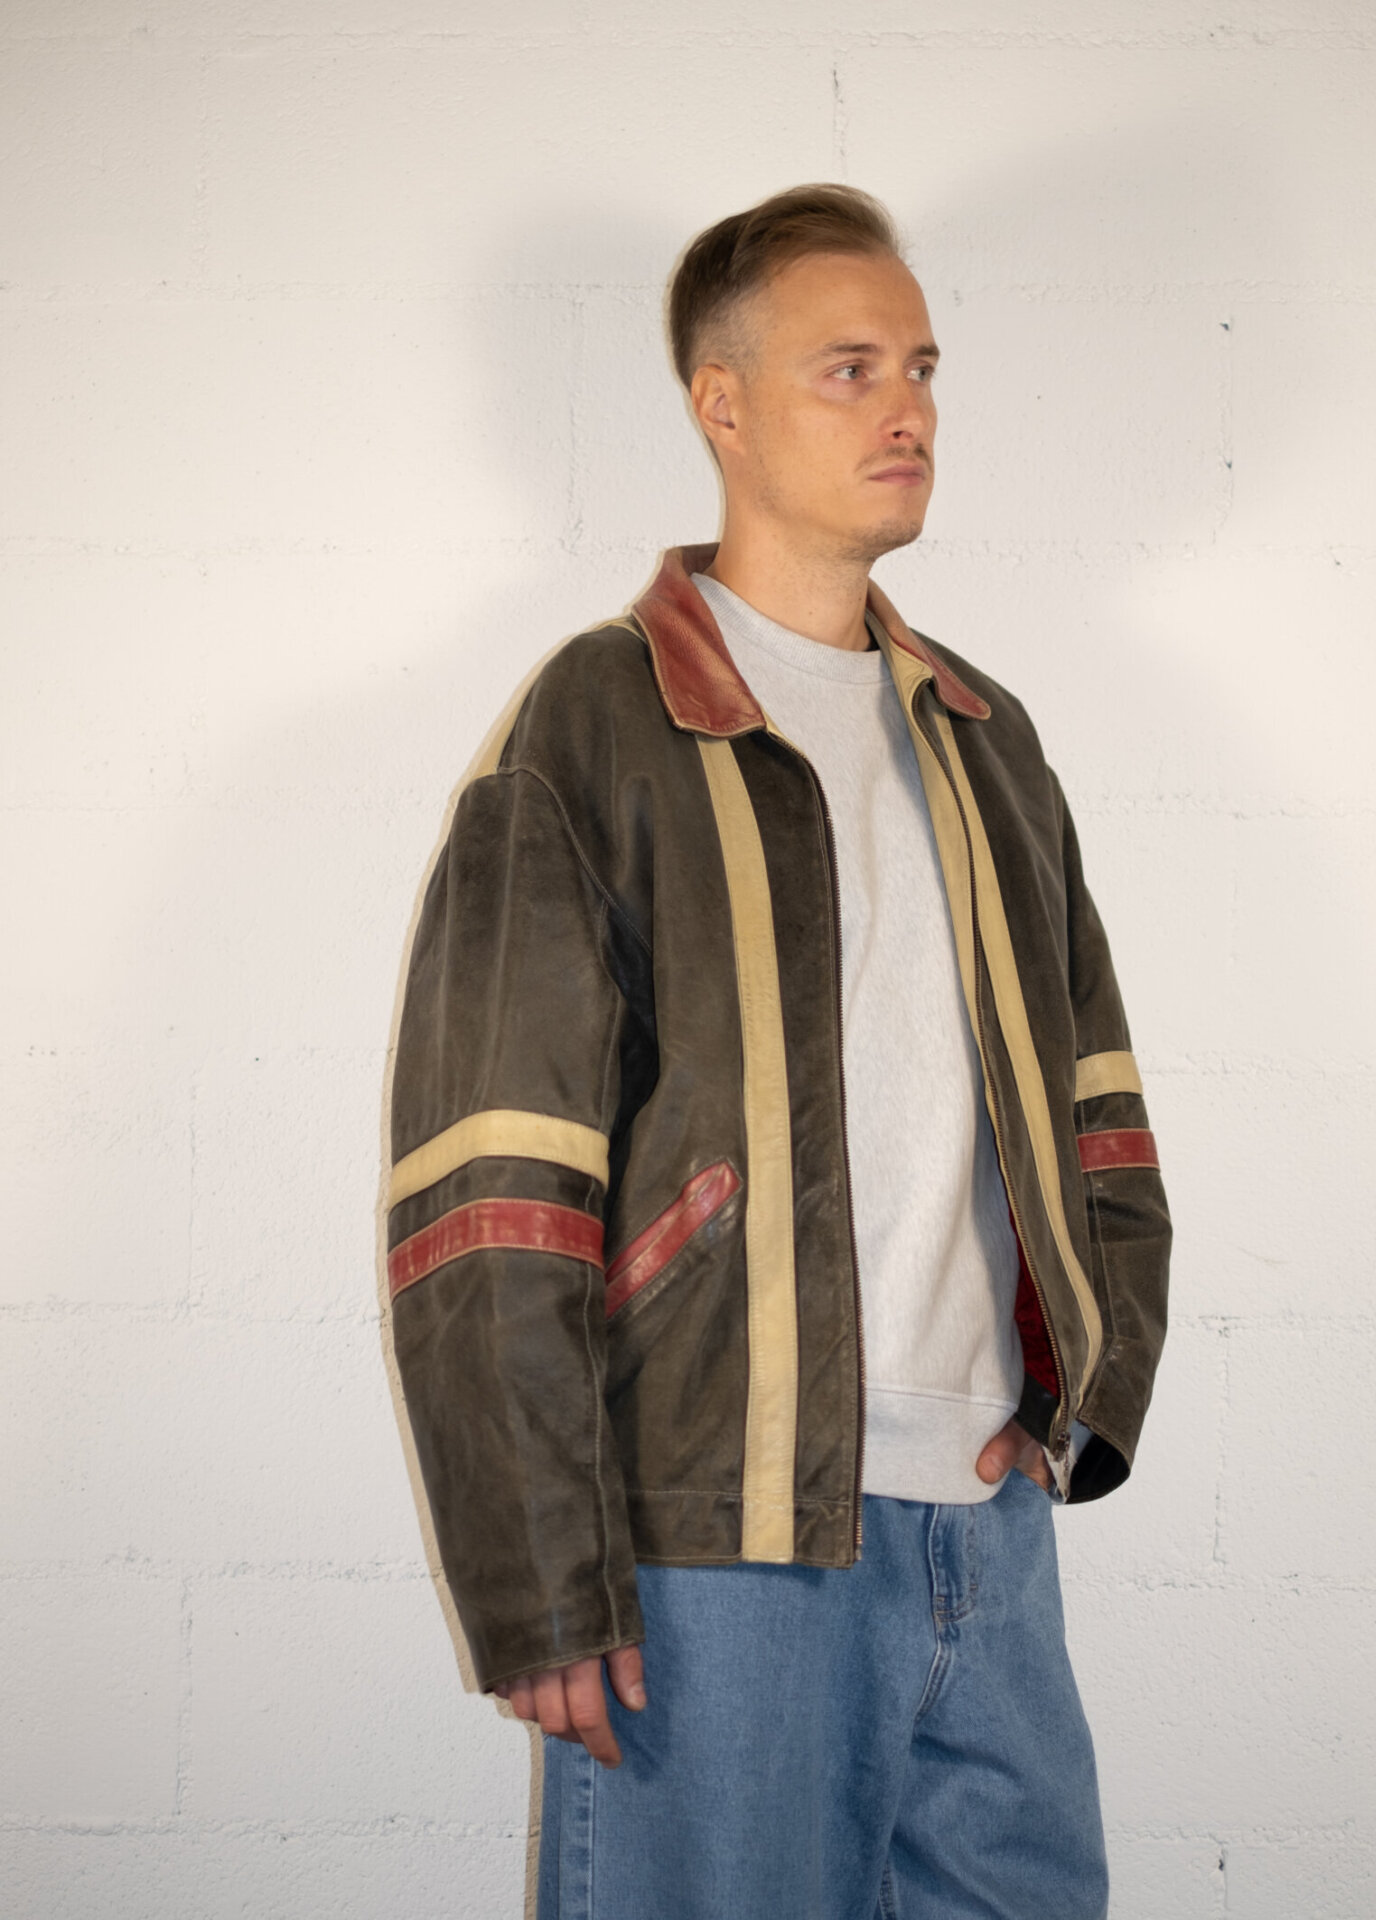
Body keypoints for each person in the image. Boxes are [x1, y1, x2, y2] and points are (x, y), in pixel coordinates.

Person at [385, 183, 1171, 1920]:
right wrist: (539, 1573)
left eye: (921, 367)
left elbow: (1097, 1109)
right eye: (847, 368)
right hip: (710, 1540)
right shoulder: (596, 723)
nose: (905, 410)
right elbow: (487, 1184)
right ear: (720, 404)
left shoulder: (984, 739)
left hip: (985, 1533)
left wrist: (1082, 1398)